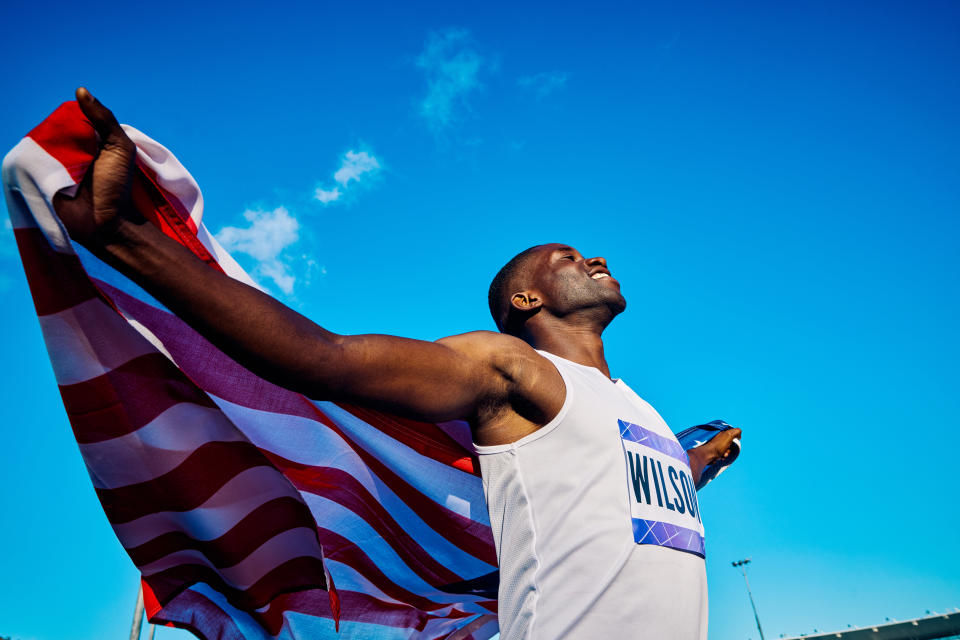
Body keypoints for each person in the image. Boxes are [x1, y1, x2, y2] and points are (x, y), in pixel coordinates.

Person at [56, 87, 742, 640]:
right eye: (568, 258)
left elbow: (656, 487)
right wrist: (127, 240)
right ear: (526, 298)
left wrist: (708, 455)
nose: (594, 259)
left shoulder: (638, 411)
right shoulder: (512, 369)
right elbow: (327, 360)